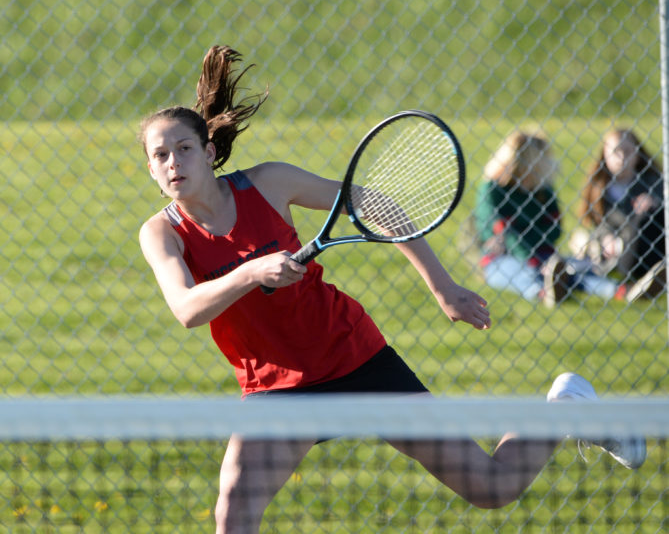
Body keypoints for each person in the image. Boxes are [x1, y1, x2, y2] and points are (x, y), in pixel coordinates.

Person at [138, 46, 645, 534]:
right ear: (152, 169)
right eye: (160, 155)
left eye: (183, 149)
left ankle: (565, 409)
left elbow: (374, 205)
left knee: (492, 486)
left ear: (208, 152)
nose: (173, 162)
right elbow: (186, 308)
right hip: (276, 391)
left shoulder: (268, 184)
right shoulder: (160, 233)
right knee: (233, 518)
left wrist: (443, 287)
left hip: (356, 359)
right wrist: (252, 272)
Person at [474, 130, 626, 308]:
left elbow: (554, 229)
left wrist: (542, 257)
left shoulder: (542, 190)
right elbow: (502, 234)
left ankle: (618, 290)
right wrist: (533, 259)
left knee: (569, 270)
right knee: (522, 273)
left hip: (544, 254)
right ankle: (545, 293)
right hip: (501, 259)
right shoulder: (493, 190)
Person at [571, 127, 665, 301]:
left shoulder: (654, 182)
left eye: (628, 151)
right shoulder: (600, 188)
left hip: (649, 244)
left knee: (649, 218)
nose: (622, 158)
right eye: (615, 152)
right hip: (616, 250)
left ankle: (656, 275)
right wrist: (606, 238)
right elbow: (599, 223)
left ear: (637, 154)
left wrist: (655, 203)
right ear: (604, 154)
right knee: (581, 243)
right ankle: (634, 285)